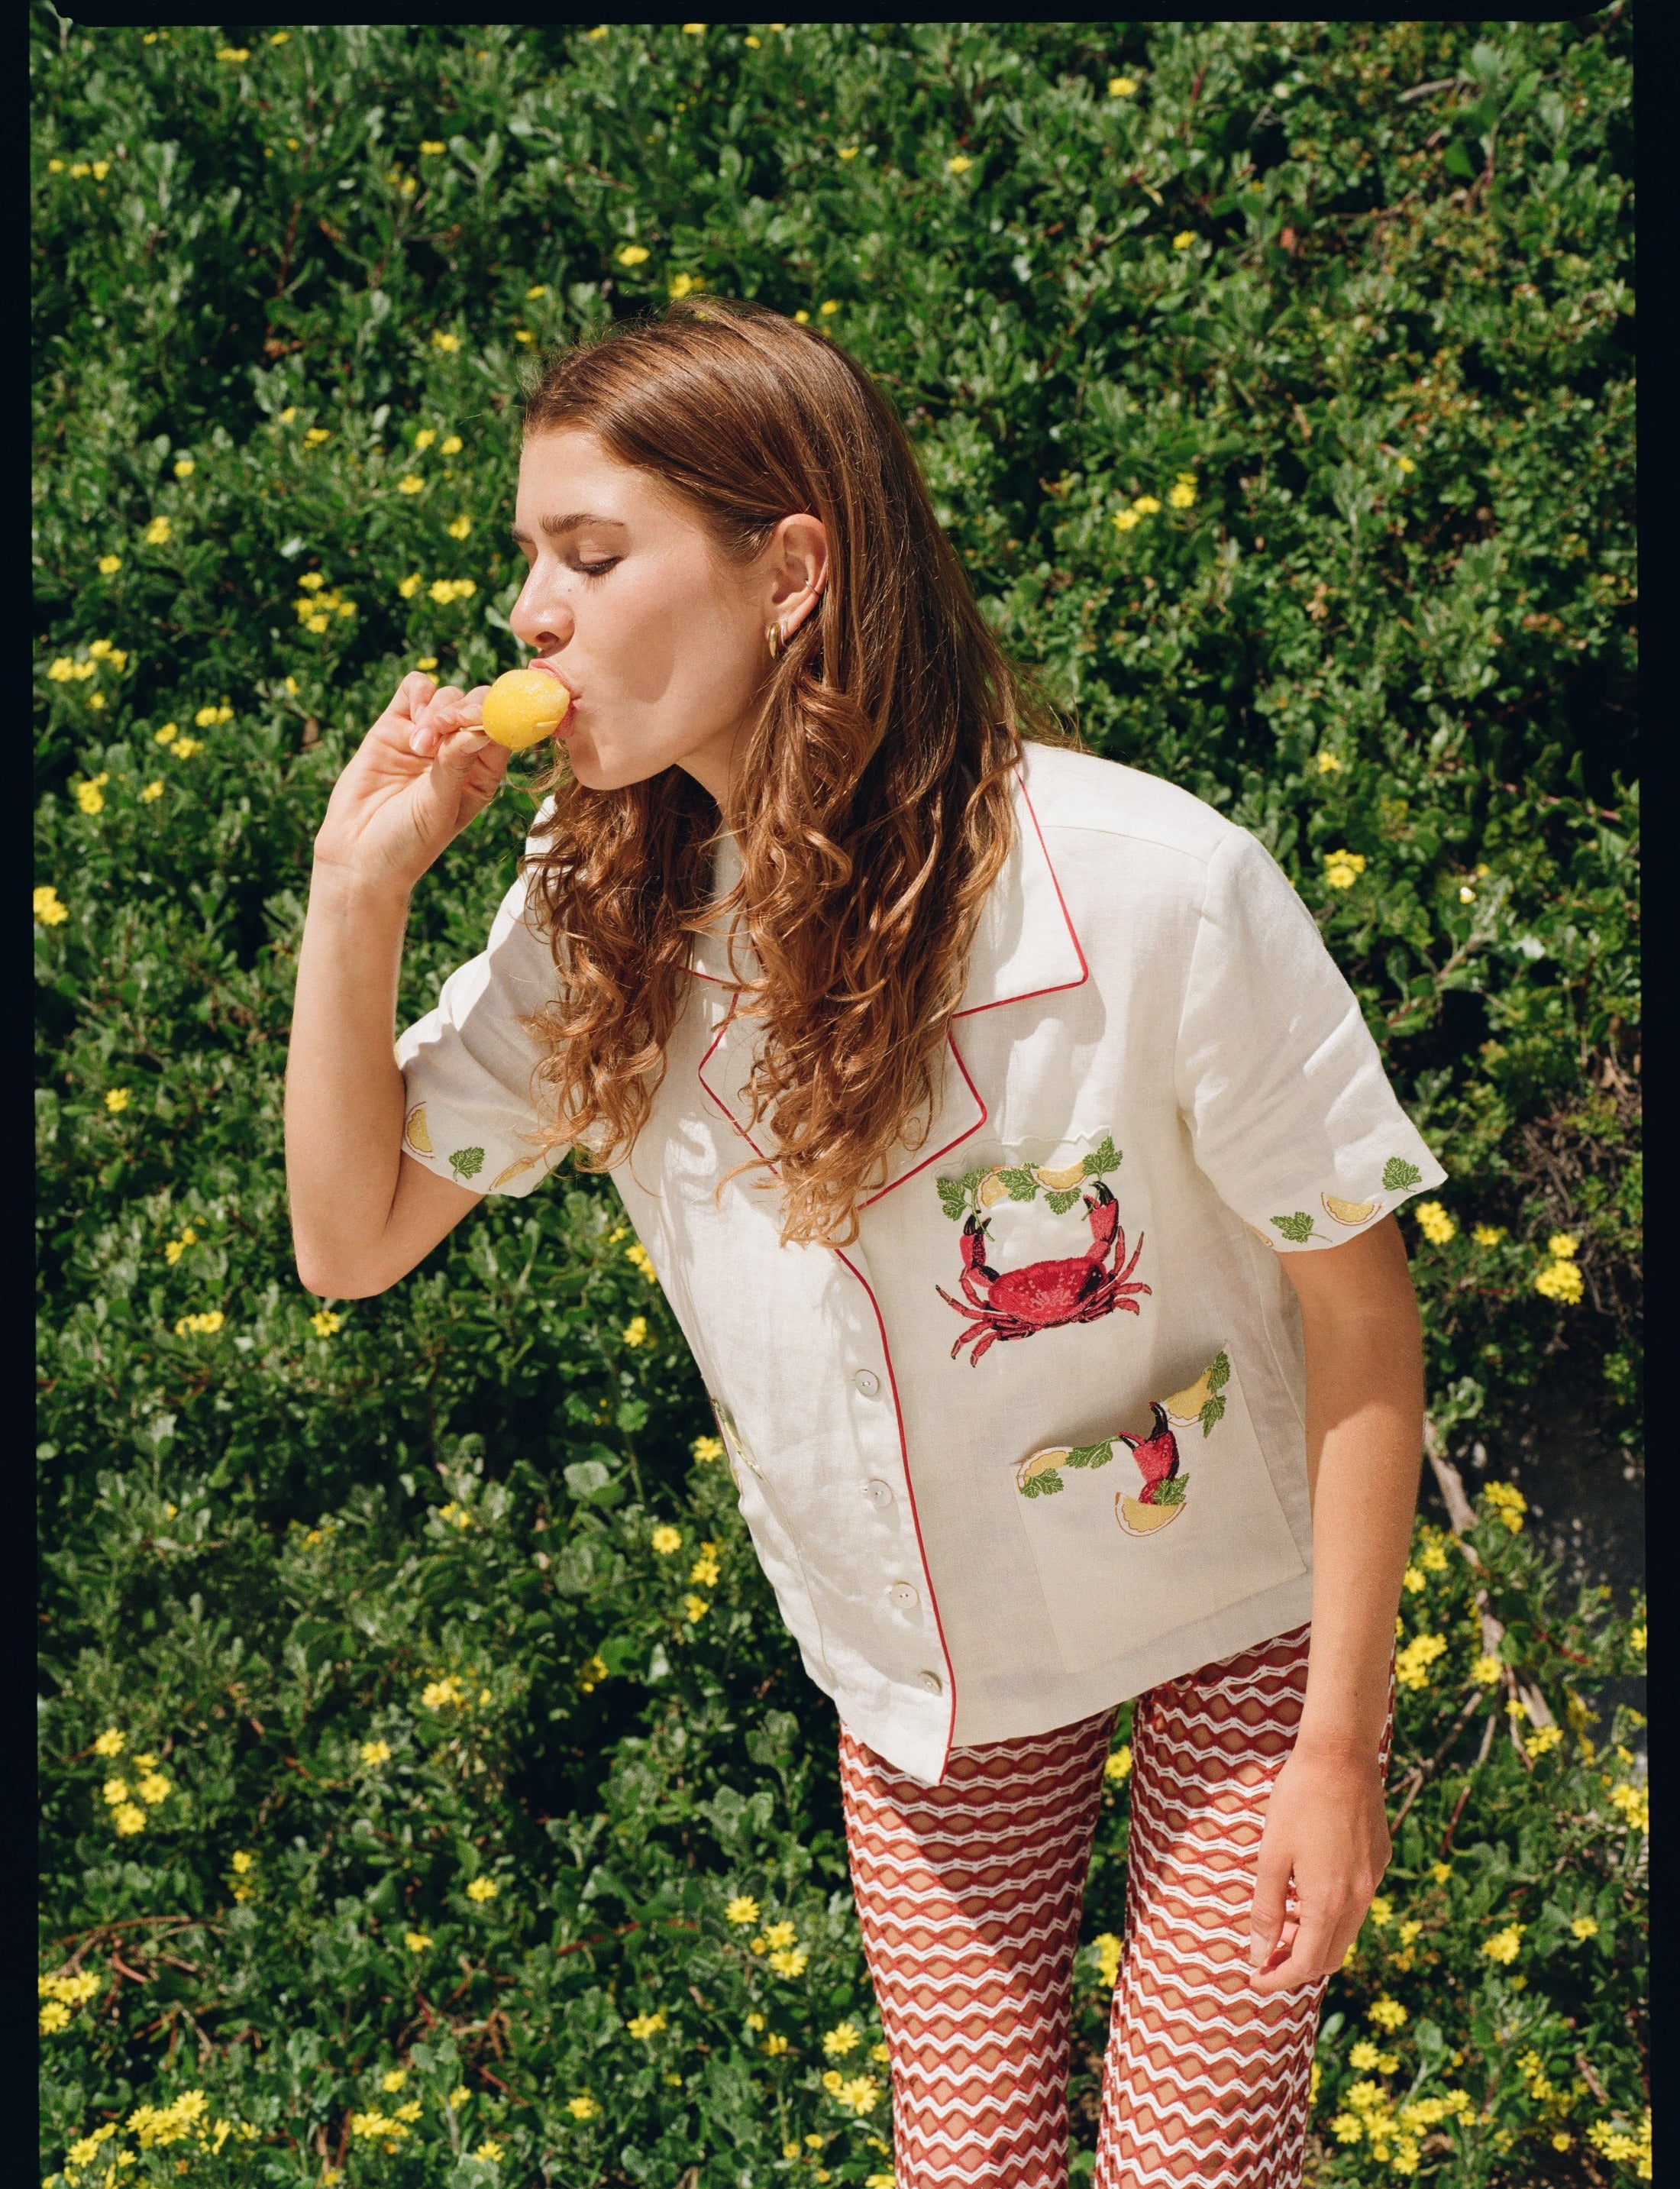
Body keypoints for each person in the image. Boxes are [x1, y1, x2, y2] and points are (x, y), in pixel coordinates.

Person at [286, 299, 1440, 2188]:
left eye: (588, 555)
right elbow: (352, 1236)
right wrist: (357, 895)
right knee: (965, 2160)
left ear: (789, 571)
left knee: (1190, 2168)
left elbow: (1359, 1305)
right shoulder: (600, 922)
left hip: (1237, 1623)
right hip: (923, 1673)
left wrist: (1339, 1746)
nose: (528, 616)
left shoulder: (1150, 882)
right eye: (526, 562)